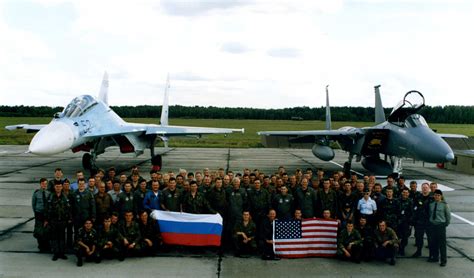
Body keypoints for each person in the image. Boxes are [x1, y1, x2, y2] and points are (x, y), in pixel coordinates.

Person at [45, 181, 72, 261]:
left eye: (60, 187)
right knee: (54, 237)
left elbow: (69, 208)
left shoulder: (65, 197)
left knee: (62, 237)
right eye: (57, 187)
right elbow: (47, 209)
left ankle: (62, 253)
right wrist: (47, 219)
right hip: (53, 220)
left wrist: (69, 218)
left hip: (63, 220)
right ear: (54, 187)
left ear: (62, 187)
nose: (58, 188)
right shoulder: (50, 197)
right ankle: (56, 253)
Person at [428, 189, 450, 266]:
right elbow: (430, 214)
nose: (437, 196)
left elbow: (448, 216)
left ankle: (443, 260)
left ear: (441, 196)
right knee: (434, 243)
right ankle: (435, 257)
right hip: (433, 225)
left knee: (442, 244)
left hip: (441, 226)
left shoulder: (445, 205)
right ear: (434, 196)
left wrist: (445, 224)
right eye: (435, 195)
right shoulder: (431, 204)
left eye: (438, 195)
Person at [412, 183, 432, 258]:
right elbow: (414, 208)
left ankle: (431, 254)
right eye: (423, 188)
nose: (425, 189)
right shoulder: (418, 197)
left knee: (430, 238)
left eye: (426, 187)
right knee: (419, 237)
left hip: (429, 222)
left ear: (429, 188)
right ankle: (418, 251)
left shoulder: (432, 198)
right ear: (421, 188)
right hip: (419, 221)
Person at [32, 178, 51, 253]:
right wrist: (36, 213)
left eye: (45, 184)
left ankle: (47, 245)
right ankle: (41, 245)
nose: (44, 185)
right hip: (39, 214)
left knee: (46, 230)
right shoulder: (36, 193)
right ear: (40, 184)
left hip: (46, 214)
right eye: (43, 184)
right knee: (39, 231)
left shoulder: (48, 193)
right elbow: (33, 204)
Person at [397, 188, 413, 256]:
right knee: (398, 236)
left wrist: (411, 223)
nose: (405, 194)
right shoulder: (397, 200)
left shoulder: (410, 201)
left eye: (406, 193)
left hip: (406, 222)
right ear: (401, 193)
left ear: (408, 194)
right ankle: (398, 248)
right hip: (398, 222)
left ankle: (402, 249)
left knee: (405, 237)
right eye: (404, 192)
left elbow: (412, 213)